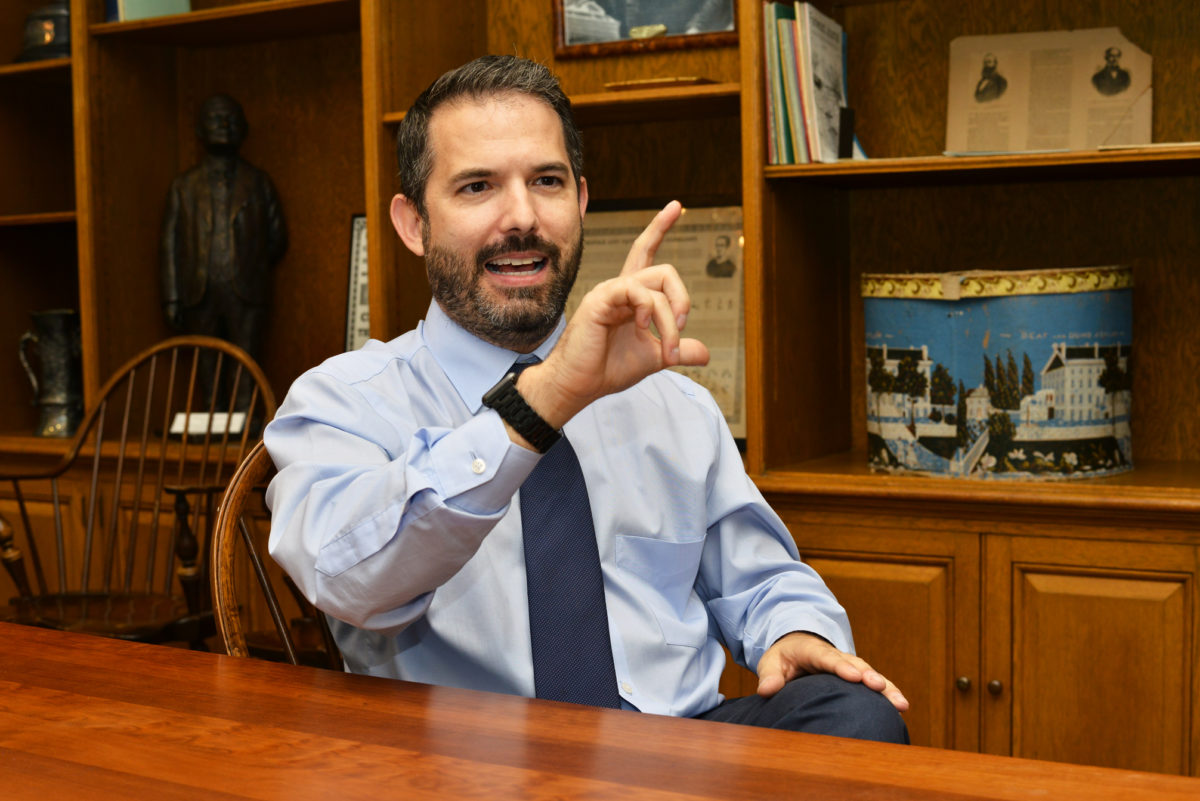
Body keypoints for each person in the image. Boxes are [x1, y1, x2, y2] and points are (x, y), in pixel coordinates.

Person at [264, 55, 908, 742]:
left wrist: (794, 629)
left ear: (580, 201)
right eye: (477, 186)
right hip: (467, 765)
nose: (522, 218)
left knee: (855, 713)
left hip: (675, 752)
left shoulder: (672, 405)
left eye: (546, 181)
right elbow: (342, 574)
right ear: (414, 222)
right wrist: (544, 399)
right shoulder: (344, 400)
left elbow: (761, 574)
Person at [161, 93, 287, 407]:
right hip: (198, 289)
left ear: (244, 129)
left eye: (231, 118)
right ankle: (213, 418)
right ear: (200, 130)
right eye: (215, 118)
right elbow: (170, 243)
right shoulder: (184, 186)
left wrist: (250, 264)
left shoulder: (257, 182)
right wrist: (172, 295)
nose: (224, 124)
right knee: (206, 360)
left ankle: (244, 417)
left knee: (247, 355)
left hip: (245, 287)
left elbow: (277, 236)